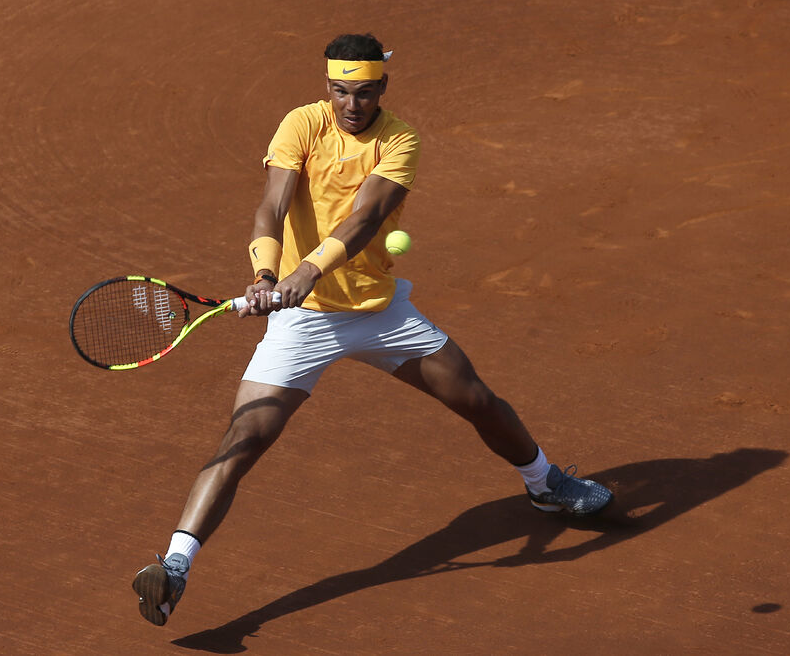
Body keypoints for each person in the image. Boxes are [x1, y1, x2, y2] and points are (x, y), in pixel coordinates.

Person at [132, 33, 613, 627]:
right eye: (340, 91)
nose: (351, 104)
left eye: (363, 93)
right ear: (327, 87)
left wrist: (308, 270)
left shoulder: (401, 139)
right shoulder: (302, 124)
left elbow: (365, 219)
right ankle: (175, 568)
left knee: (476, 399)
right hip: (302, 322)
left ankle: (544, 484)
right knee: (244, 437)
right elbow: (271, 207)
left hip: (377, 312)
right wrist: (265, 273)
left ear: (382, 87)